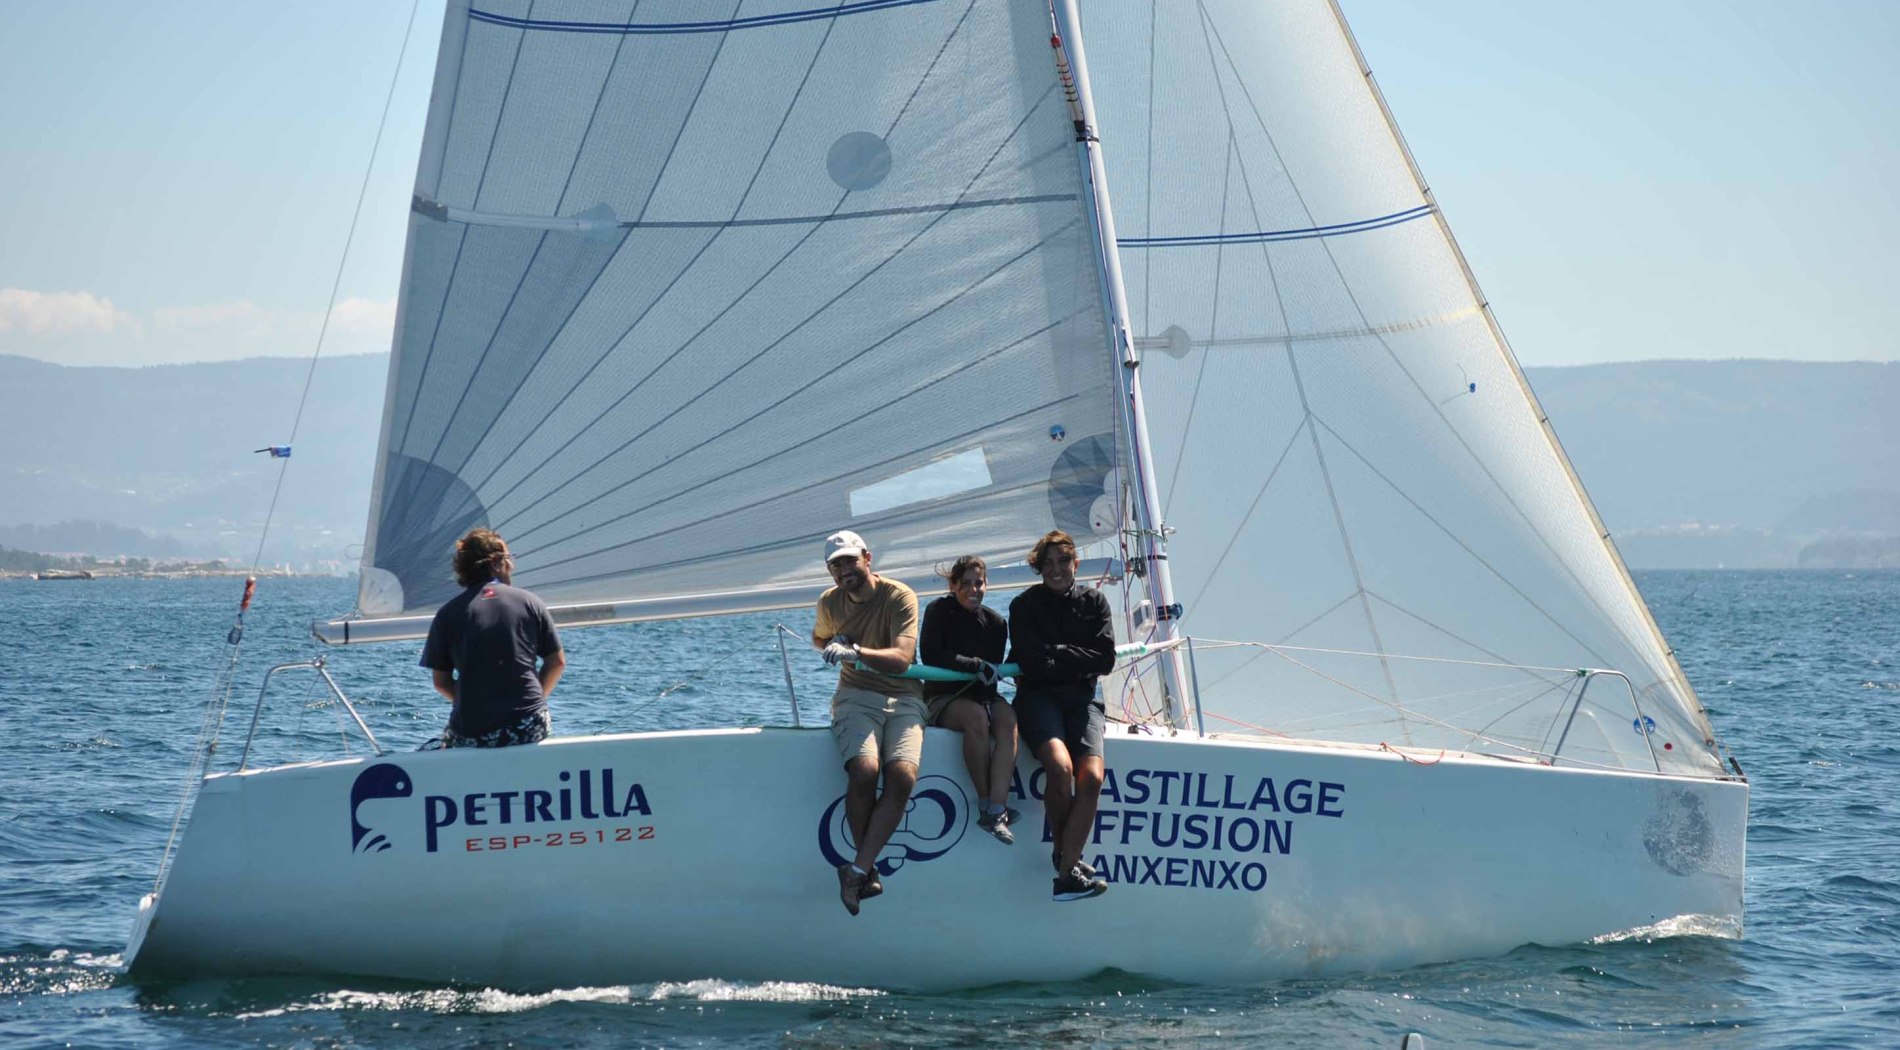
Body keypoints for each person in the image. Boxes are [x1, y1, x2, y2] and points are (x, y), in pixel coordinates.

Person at [812, 529, 924, 916]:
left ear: (867, 559)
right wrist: (834, 643)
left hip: (904, 697)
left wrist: (856, 650)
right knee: (864, 770)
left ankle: (857, 871)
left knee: (902, 777)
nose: (844, 570)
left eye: (850, 561)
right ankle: (865, 871)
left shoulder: (899, 596)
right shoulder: (829, 602)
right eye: (836, 565)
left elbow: (903, 659)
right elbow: (819, 639)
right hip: (856, 695)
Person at [1008, 529, 1114, 901]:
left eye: (1063, 561)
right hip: (1037, 699)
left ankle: (1064, 863)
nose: (1056, 570)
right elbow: (1034, 665)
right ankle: (1067, 869)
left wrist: (1059, 651)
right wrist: (1077, 659)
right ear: (1039, 569)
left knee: (1093, 778)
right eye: (1048, 563)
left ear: (1076, 564)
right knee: (1060, 768)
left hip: (1082, 701)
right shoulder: (1024, 605)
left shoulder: (1095, 601)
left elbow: (1105, 660)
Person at [420, 528, 565, 749]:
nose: (512, 565)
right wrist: (534, 701)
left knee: (437, 746)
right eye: (508, 558)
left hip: (472, 731)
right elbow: (557, 662)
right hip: (528, 725)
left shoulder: (447, 614)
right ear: (497, 562)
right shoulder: (531, 602)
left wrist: (477, 705)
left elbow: (441, 683)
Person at [919, 555, 1019, 844]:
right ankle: (985, 803)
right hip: (942, 696)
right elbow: (931, 655)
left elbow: (993, 666)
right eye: (965, 584)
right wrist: (975, 665)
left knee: (1008, 720)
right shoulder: (938, 610)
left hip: (982, 694)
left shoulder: (996, 622)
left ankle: (998, 809)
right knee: (976, 718)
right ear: (952, 585)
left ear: (987, 585)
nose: (973, 590)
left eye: (979, 583)